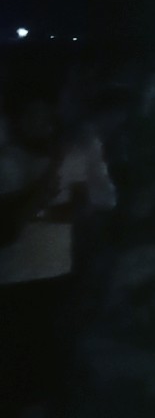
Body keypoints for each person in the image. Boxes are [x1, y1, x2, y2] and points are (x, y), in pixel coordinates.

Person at [1, 92, 92, 416]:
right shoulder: (8, 162)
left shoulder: (70, 156)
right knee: (14, 356)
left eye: (46, 117)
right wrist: (50, 176)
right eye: (33, 116)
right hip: (16, 275)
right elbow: (9, 225)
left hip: (56, 269)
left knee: (43, 354)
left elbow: (80, 206)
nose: (42, 124)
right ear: (18, 122)